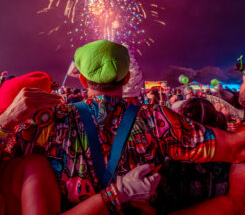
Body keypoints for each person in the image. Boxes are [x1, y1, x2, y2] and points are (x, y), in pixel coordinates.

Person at [1, 40, 245, 214]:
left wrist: (5, 122)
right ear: (127, 78)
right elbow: (235, 149)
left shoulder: (48, 122)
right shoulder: (157, 120)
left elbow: (6, 164)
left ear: (83, 79)